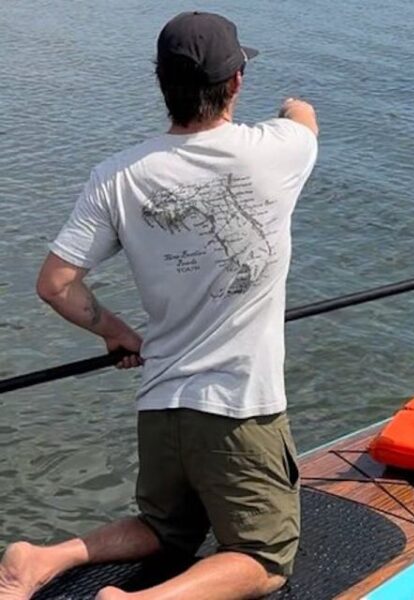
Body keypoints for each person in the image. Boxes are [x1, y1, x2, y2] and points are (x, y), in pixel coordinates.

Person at [0, 11, 318, 600]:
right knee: (265, 557)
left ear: (160, 83)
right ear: (237, 83)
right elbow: (304, 119)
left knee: (166, 530)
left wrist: (116, 330)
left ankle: (42, 558)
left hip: (162, 401)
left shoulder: (116, 176)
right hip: (240, 408)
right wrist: (292, 103)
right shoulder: (278, 151)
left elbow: (55, 283)